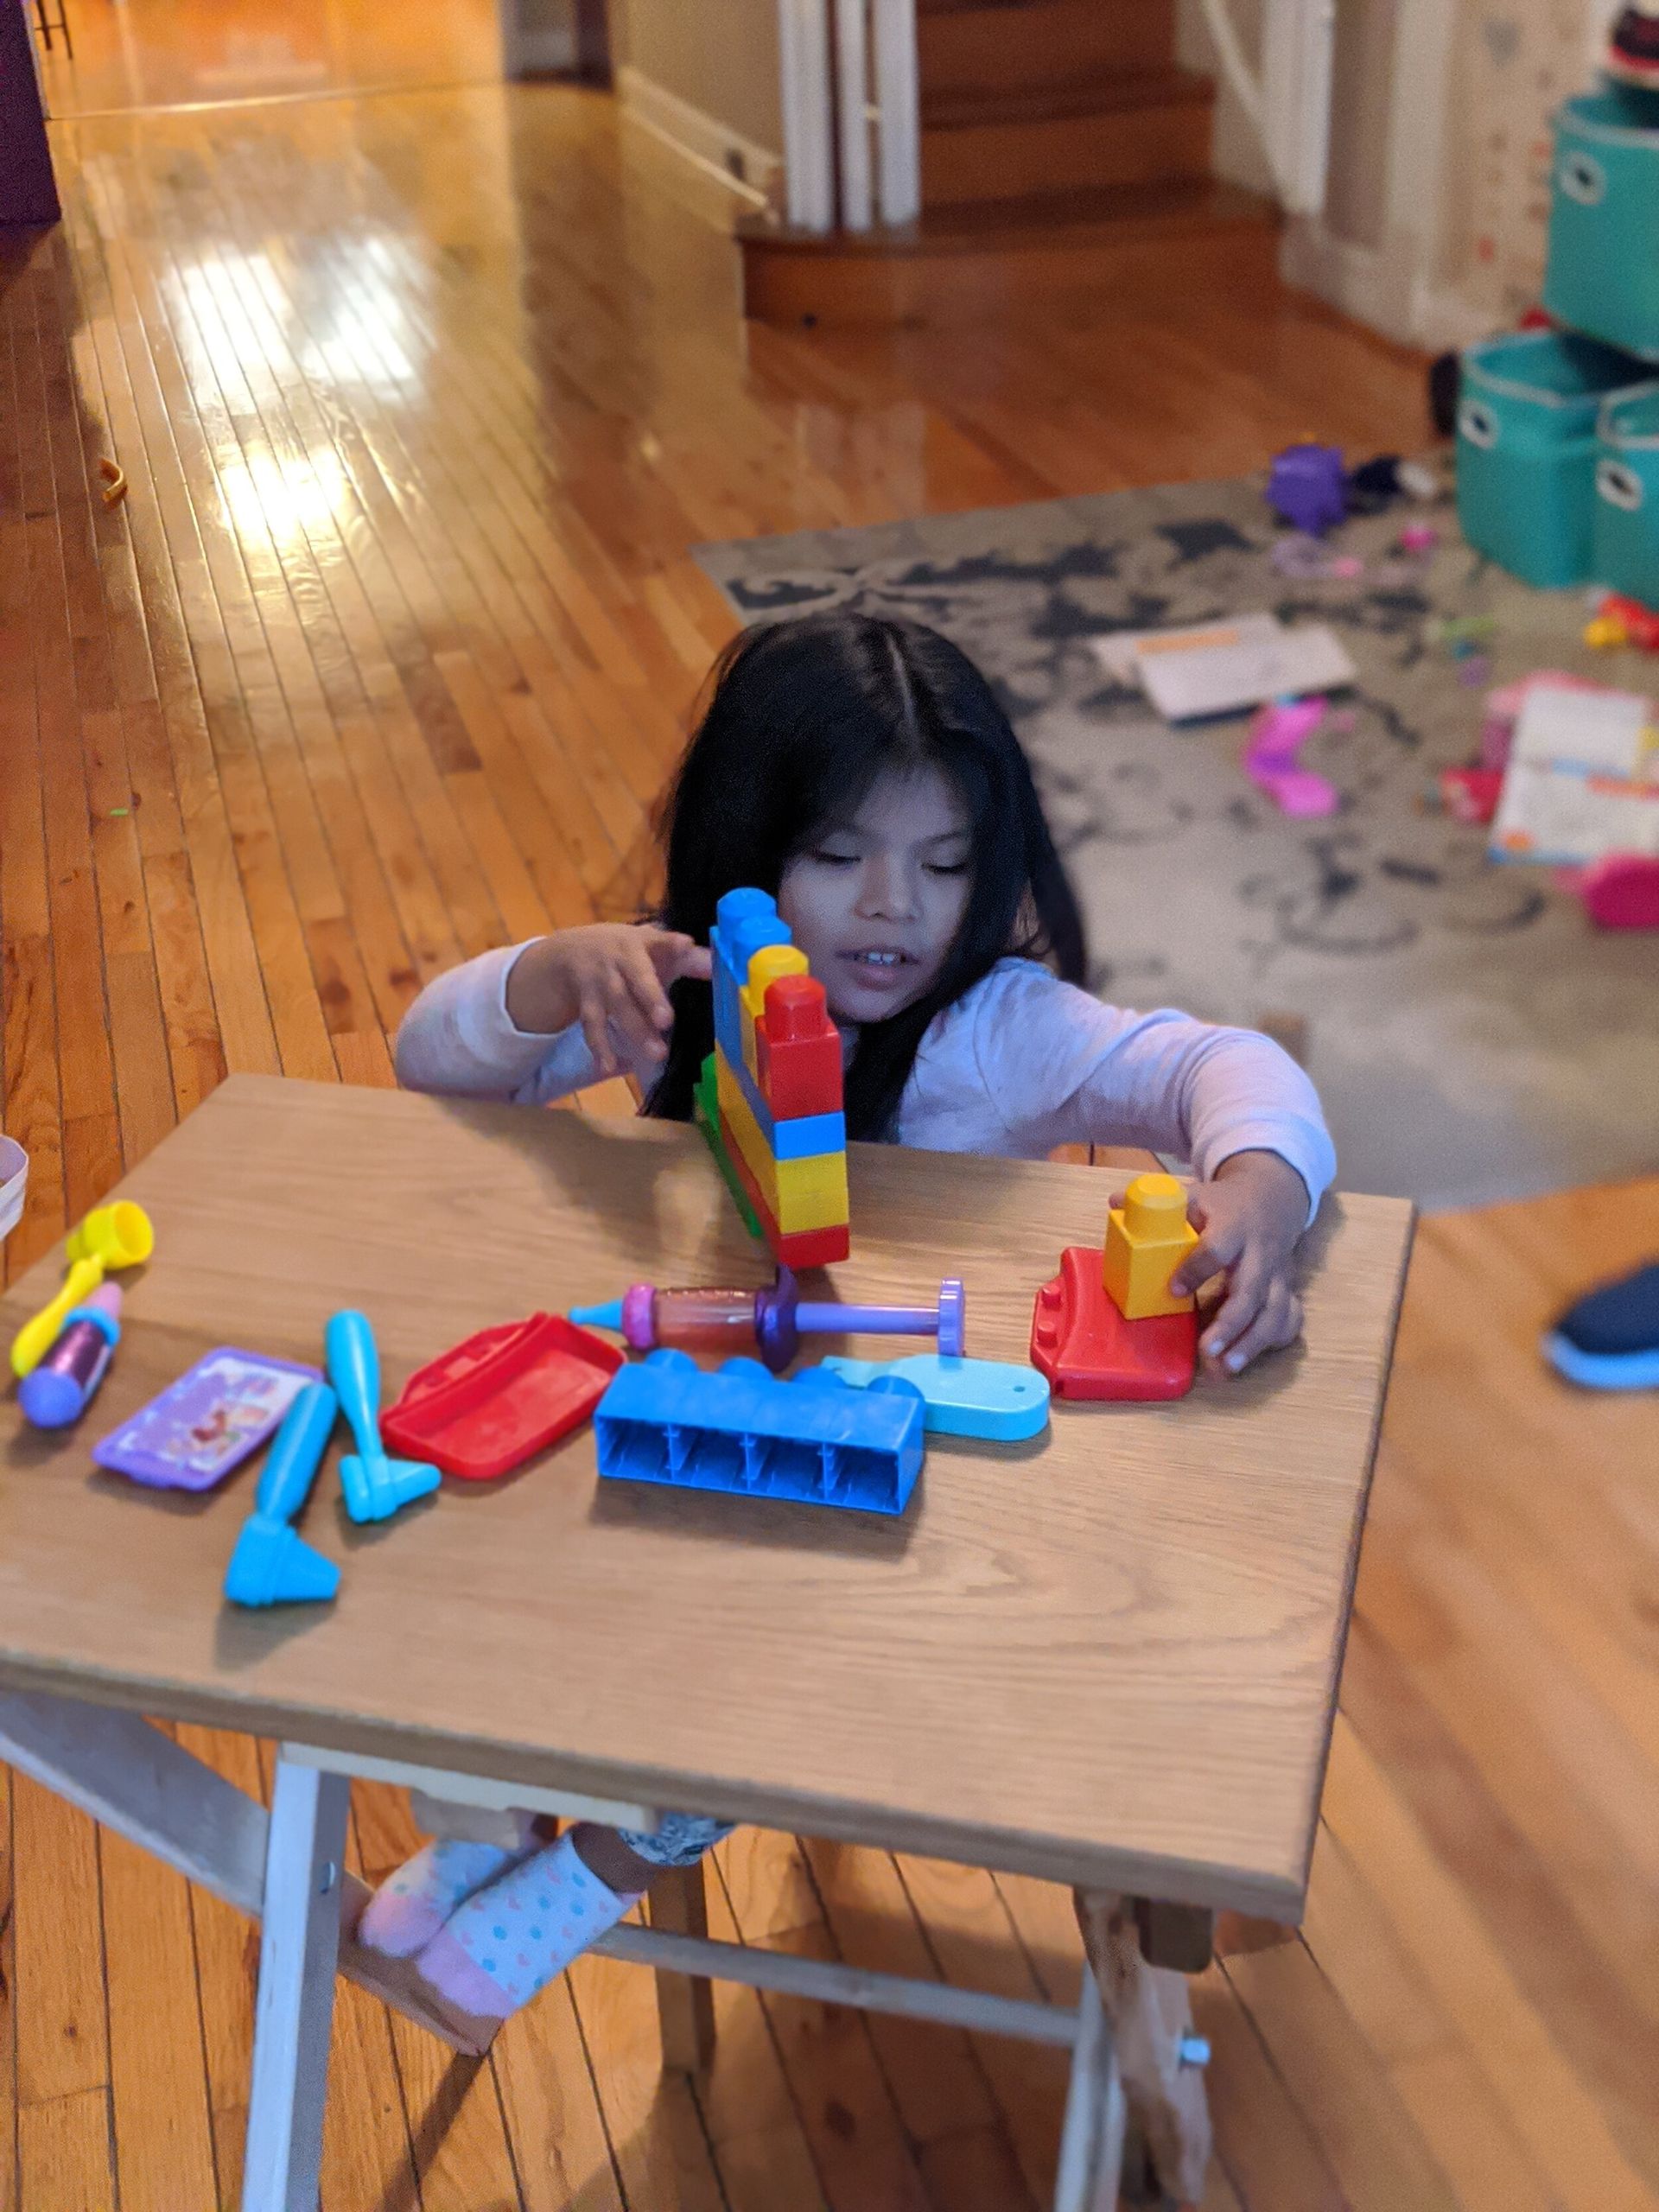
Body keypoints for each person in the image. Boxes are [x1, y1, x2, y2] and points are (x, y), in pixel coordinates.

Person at [364, 611, 1337, 2026]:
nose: (894, 908)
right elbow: (431, 1065)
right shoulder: (681, 987)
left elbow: (1222, 1064)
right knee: (515, 1561)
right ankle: (494, 1810)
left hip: (900, 1480)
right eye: (838, 856)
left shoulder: (995, 1031)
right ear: (750, 848)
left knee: (755, 1638)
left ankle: (618, 1847)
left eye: (943, 867)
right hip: (708, 1396)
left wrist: (1259, 1187)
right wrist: (543, 978)